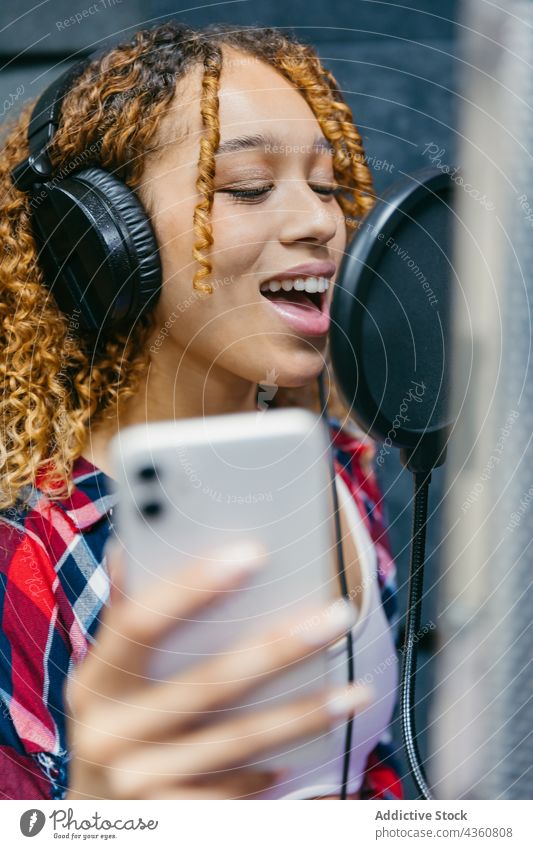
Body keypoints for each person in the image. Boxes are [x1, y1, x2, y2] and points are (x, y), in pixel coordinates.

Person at [0, 21, 404, 800]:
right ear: (103, 240)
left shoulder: (335, 462)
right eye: (249, 187)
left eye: (326, 186)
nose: (319, 221)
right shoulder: (30, 558)